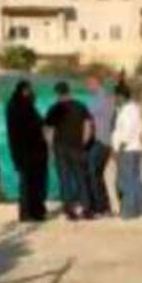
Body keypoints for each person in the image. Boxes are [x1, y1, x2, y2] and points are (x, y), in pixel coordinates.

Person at [45, 81, 95, 220]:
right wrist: (84, 142)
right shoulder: (80, 106)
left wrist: (50, 149)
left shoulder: (54, 108)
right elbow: (88, 126)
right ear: (69, 91)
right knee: (81, 177)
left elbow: (49, 130)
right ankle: (87, 209)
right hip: (77, 147)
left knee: (65, 179)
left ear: (57, 93)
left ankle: (70, 211)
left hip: (60, 148)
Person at [6, 80, 47, 221]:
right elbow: (25, 128)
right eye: (28, 90)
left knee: (34, 183)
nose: (30, 93)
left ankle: (34, 211)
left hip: (31, 152)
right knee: (28, 184)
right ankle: (29, 212)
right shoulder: (19, 107)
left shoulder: (25, 106)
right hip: (26, 152)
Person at [111, 82, 142, 219]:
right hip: (136, 148)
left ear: (120, 96)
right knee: (135, 179)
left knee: (126, 182)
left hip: (127, 149)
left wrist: (118, 149)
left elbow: (127, 132)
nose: (114, 98)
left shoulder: (127, 111)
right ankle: (139, 209)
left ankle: (129, 212)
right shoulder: (136, 110)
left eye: (115, 96)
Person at [85, 76, 114, 217]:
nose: (87, 88)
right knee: (97, 175)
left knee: (92, 173)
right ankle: (104, 207)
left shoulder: (97, 99)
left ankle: (100, 207)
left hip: (99, 141)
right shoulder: (108, 98)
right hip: (106, 141)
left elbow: (89, 120)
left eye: (88, 84)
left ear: (95, 83)